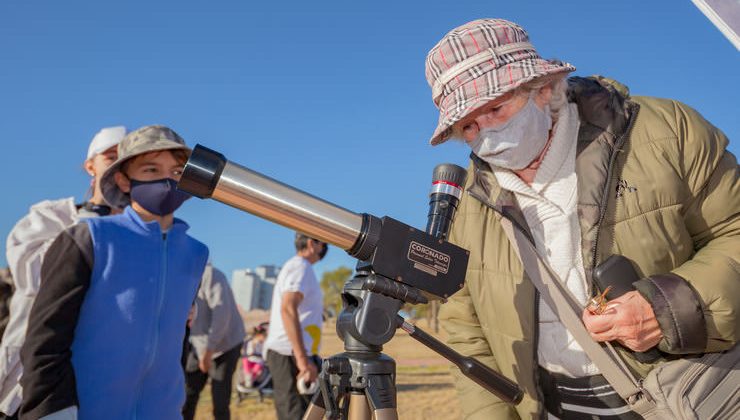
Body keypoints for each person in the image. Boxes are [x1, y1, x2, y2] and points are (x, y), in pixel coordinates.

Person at [425, 19, 739, 419]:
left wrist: (669, 308)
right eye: (468, 125)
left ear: (542, 88)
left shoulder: (666, 132)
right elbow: (467, 332)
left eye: (495, 108)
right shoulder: (467, 205)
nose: (486, 131)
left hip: (685, 395)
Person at [19, 125, 209, 420]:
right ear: (123, 180)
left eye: (176, 171)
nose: (166, 179)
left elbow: (177, 342)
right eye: (150, 169)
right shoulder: (88, 239)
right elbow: (44, 339)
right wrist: (50, 410)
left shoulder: (195, 254)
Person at [0, 126, 127, 419]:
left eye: (127, 160)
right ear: (90, 165)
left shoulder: (142, 232)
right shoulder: (49, 216)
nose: (119, 167)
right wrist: (94, 223)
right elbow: (33, 276)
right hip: (32, 375)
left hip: (100, 380)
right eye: (111, 157)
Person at [264, 233, 327, 420]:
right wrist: (302, 361)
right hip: (289, 355)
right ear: (312, 243)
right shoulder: (300, 267)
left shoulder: (301, 268)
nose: (324, 248)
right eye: (323, 243)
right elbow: (288, 309)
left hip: (296, 355)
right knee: (295, 415)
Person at [182, 263, 246, 420]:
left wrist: (208, 352)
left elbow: (221, 316)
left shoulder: (210, 275)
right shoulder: (178, 279)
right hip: (198, 344)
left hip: (226, 344)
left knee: (220, 400)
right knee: (187, 395)